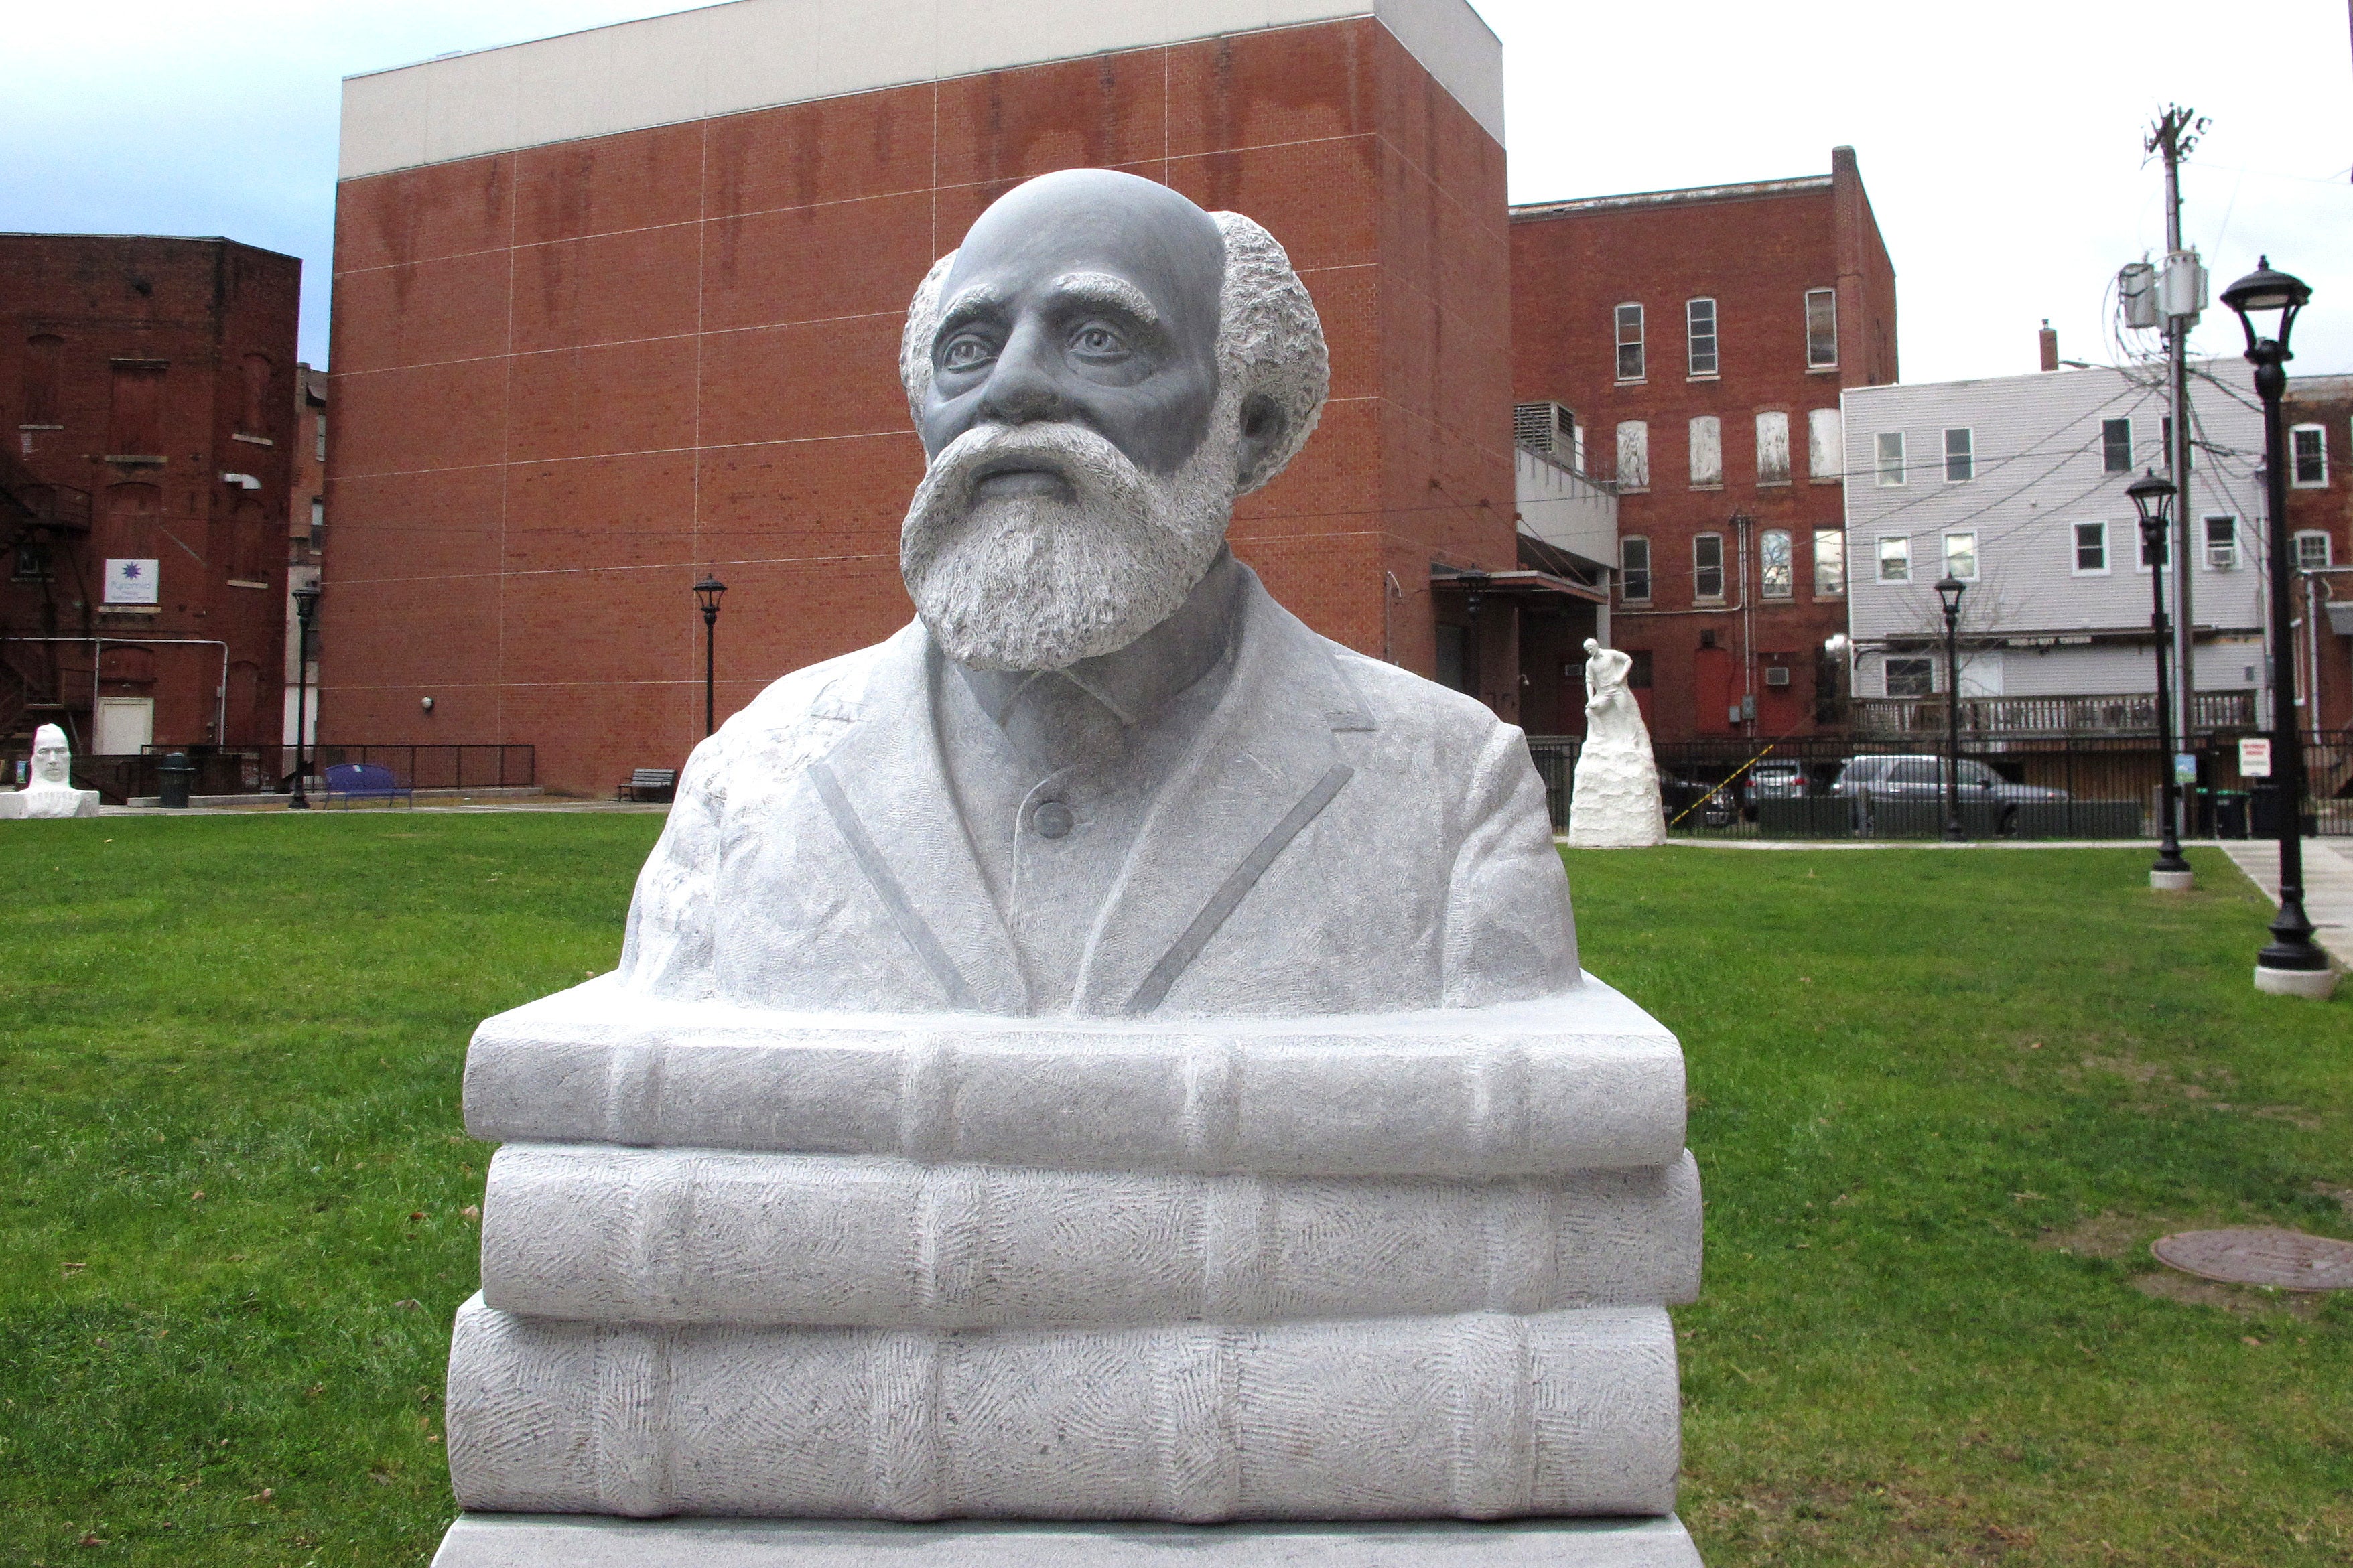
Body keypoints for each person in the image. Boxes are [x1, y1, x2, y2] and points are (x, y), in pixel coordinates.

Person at [620, 169, 1576, 1017]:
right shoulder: (742, 784)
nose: (1012, 388)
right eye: (968, 349)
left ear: (1245, 421)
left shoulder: (1454, 794)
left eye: (1097, 337)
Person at [1, 723, 100, 819]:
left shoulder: (85, 797)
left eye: (60, 751)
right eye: (44, 752)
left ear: (69, 756)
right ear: (34, 759)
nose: (53, 760)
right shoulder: (15, 800)